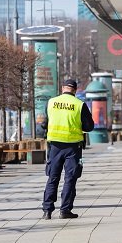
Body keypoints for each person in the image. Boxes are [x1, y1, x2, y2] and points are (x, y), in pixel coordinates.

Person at [42, 79, 94, 220]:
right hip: (73, 147)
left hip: (54, 147)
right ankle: (65, 210)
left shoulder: (51, 102)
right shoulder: (79, 105)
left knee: (53, 177)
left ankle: (47, 210)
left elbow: (44, 124)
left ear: (62, 88)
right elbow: (89, 126)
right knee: (70, 178)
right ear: (75, 90)